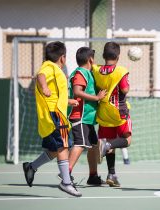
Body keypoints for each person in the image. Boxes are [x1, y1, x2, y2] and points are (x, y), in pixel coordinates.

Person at [22, 41, 82, 197]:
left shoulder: (54, 69)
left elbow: (55, 94)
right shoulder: (49, 67)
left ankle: (31, 167)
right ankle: (66, 183)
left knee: (55, 150)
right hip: (54, 114)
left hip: (55, 111)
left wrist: (68, 101)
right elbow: (41, 76)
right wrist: (44, 87)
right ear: (62, 57)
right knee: (63, 147)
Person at [92, 42, 132, 187]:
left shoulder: (96, 70)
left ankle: (111, 174)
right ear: (118, 56)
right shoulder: (121, 70)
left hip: (103, 112)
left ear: (103, 55)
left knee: (109, 144)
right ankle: (106, 144)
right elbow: (125, 89)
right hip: (118, 111)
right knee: (127, 140)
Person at [67, 47, 106, 186]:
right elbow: (77, 92)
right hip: (80, 116)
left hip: (87, 118)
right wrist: (96, 97)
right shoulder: (80, 73)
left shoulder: (87, 73)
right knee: (80, 143)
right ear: (90, 59)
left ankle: (93, 176)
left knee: (94, 146)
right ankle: (66, 173)